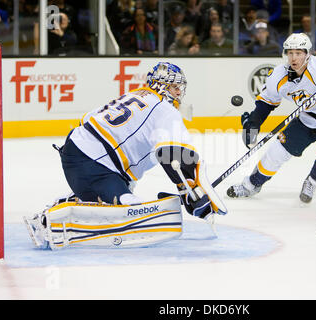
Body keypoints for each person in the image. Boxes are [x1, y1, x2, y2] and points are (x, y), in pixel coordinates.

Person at [24, 62, 227, 249]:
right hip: (95, 164)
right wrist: (190, 192)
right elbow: (171, 153)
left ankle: (68, 203)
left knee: (123, 186)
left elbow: (87, 119)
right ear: (162, 87)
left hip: (75, 152)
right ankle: (52, 221)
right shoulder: (164, 109)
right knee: (131, 205)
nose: (179, 93)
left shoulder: (136, 94)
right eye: (175, 88)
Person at [227, 33, 316, 203]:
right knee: (277, 151)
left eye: (298, 53)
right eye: (290, 53)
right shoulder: (278, 76)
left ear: (307, 54)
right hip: (310, 117)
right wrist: (254, 123)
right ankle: (251, 184)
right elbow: (266, 102)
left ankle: (313, 182)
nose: (294, 57)